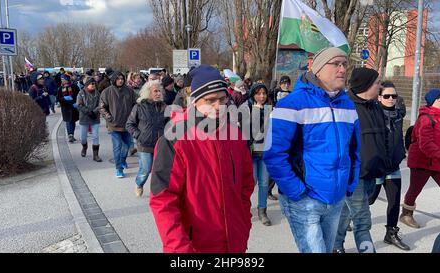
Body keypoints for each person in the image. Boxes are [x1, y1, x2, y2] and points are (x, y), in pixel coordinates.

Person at [263, 47, 361, 253]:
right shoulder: (292, 104)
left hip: (336, 197)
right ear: (317, 69)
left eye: (345, 64)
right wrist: (296, 191)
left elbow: (354, 150)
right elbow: (274, 155)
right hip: (305, 198)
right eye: (336, 64)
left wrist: (349, 184)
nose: (342, 69)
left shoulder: (348, 106)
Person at [150, 65, 254, 253]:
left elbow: (246, 187)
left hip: (234, 243)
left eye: (222, 99)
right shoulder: (175, 139)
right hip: (194, 246)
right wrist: (179, 248)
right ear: (195, 101)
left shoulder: (236, 135)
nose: (218, 106)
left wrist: (243, 225)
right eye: (210, 100)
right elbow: (162, 200)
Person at [334, 67, 388, 254]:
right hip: (353, 175)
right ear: (366, 85)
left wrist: (385, 164)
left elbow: (383, 140)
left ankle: (335, 244)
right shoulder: (345, 106)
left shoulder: (376, 107)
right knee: (362, 220)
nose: (380, 87)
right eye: (377, 83)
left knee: (346, 212)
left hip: (372, 174)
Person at [368, 80, 410, 251]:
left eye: (394, 96)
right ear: (379, 97)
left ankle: (391, 233)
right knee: (368, 200)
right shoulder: (372, 114)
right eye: (387, 96)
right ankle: (346, 218)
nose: (391, 99)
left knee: (394, 201)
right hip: (377, 167)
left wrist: (400, 154)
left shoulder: (399, 114)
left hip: (393, 166)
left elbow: (398, 137)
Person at [400, 89, 440, 228]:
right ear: (432, 101)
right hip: (422, 162)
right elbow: (425, 143)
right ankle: (406, 214)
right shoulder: (425, 118)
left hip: (437, 161)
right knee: (415, 189)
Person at [126, 80, 167, 197]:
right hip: (144, 144)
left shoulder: (165, 107)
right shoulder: (139, 107)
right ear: (148, 92)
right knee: (146, 169)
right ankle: (139, 184)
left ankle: (157, 192)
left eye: (160, 91)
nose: (158, 93)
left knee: (158, 170)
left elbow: (170, 124)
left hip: (160, 144)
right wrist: (139, 135)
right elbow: (129, 124)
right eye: (155, 91)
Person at [240, 83, 273, 226]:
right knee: (251, 182)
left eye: (264, 94)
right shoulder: (246, 109)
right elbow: (244, 130)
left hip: (265, 152)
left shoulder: (270, 109)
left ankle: (262, 211)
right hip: (251, 152)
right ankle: (245, 210)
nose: (262, 96)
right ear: (253, 95)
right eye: (259, 93)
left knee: (264, 183)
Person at [99, 71, 137, 178]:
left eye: (122, 78)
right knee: (117, 147)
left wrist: (133, 117)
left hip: (127, 124)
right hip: (113, 125)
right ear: (114, 79)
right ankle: (119, 169)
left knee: (126, 147)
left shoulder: (129, 91)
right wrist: (109, 117)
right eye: (118, 78)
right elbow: (102, 107)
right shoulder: (107, 92)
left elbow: (135, 105)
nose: (120, 80)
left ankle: (123, 160)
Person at [77, 77, 102, 162]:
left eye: (94, 84)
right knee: (83, 137)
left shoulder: (97, 93)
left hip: (95, 117)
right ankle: (84, 147)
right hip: (84, 117)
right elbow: (79, 105)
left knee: (95, 136)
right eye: (92, 84)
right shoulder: (81, 93)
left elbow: (100, 104)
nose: (93, 85)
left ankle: (96, 155)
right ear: (87, 85)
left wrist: (94, 112)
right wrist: (88, 112)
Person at [57, 73, 80, 143]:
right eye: (61, 79)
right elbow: (58, 98)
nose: (62, 81)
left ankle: (71, 134)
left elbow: (79, 95)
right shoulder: (60, 88)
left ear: (67, 79)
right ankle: (70, 135)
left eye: (63, 79)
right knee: (68, 121)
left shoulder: (74, 86)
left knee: (72, 121)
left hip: (73, 106)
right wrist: (64, 99)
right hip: (65, 107)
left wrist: (77, 102)